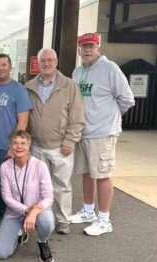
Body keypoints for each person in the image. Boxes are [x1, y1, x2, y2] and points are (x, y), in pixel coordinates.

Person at [69, 33, 135, 236]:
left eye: (92, 46)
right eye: (84, 46)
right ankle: (88, 211)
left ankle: (104, 219)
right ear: (79, 50)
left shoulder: (110, 68)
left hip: (102, 132)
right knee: (87, 173)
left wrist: (109, 119)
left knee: (102, 175)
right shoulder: (78, 72)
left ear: (98, 48)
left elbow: (126, 100)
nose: (87, 50)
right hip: (83, 132)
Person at [25, 48, 84, 235]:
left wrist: (70, 141)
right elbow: (26, 117)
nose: (47, 64)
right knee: (40, 185)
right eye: (43, 61)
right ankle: (44, 218)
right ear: (38, 63)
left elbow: (77, 116)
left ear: (56, 62)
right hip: (36, 145)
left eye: (50, 60)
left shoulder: (69, 85)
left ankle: (63, 219)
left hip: (61, 146)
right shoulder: (29, 86)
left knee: (62, 185)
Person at [0, 53, 33, 232]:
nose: (0, 68)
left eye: (4, 64)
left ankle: (7, 216)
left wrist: (15, 147)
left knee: (8, 183)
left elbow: (23, 122)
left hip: (6, 147)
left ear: (10, 66)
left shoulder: (19, 90)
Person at [0, 130, 55, 262]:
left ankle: (42, 241)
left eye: (23, 143)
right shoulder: (5, 167)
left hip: (38, 211)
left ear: (29, 145)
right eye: (15, 143)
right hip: (14, 213)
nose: (19, 146)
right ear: (10, 145)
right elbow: (6, 197)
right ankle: (20, 231)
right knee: (1, 253)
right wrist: (27, 210)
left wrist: (34, 211)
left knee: (47, 221)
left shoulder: (40, 166)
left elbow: (49, 197)